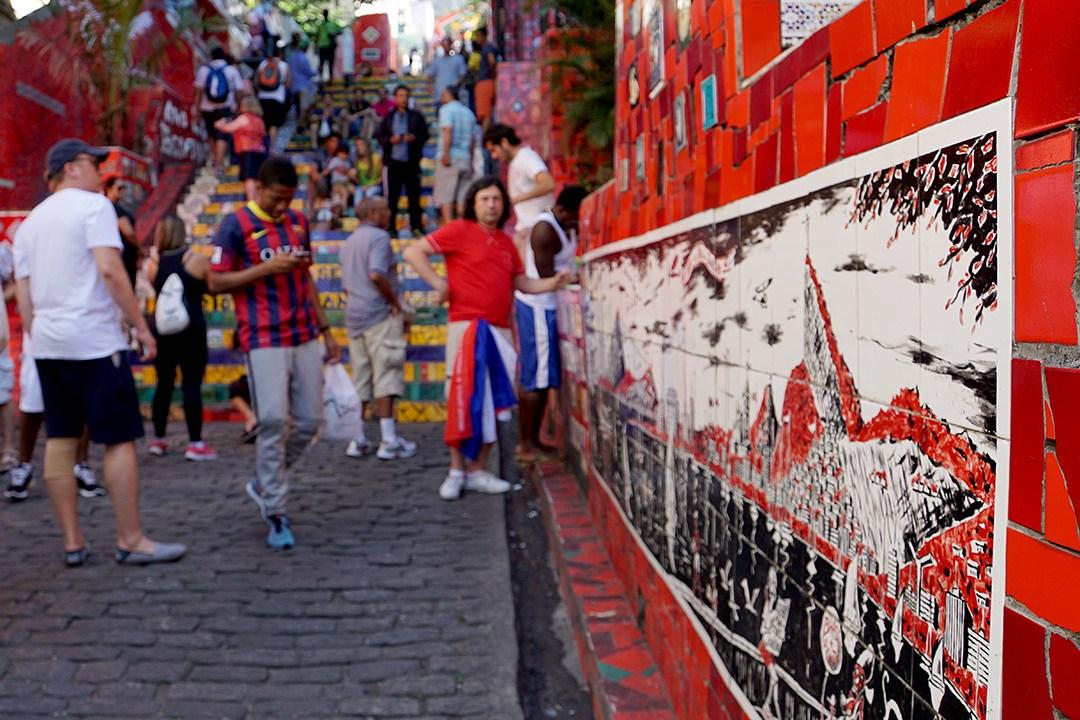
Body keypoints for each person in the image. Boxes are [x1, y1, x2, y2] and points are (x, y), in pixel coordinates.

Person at [13, 138, 186, 567]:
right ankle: (130, 537)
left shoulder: (30, 223)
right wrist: (140, 326)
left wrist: (39, 335)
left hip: (50, 343)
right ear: (71, 168)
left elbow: (23, 291)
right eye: (94, 163)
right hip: (92, 339)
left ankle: (73, 541)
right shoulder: (94, 207)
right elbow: (109, 268)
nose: (101, 172)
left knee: (61, 438)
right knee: (118, 438)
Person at [403, 177, 572, 501]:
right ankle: (455, 471)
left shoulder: (508, 242)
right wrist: (438, 283)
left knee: (495, 402)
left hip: (501, 331)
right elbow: (413, 252)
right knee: (461, 400)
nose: (491, 204)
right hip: (465, 328)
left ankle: (478, 469)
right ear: (473, 202)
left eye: (496, 199)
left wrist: (553, 282)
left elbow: (522, 282)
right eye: (485, 199)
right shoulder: (458, 230)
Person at [207, 156, 340, 550]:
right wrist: (264, 270)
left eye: (289, 199)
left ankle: (266, 481)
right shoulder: (234, 226)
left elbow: (306, 276)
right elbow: (215, 281)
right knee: (270, 420)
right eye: (277, 198)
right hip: (262, 335)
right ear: (258, 189)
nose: (283, 207)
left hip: (304, 333)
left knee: (310, 421)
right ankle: (276, 511)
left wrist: (326, 328)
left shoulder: (298, 223)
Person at [514, 185, 587, 459]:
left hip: (550, 306)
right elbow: (547, 274)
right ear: (564, 210)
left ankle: (532, 440)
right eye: (575, 217)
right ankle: (526, 443)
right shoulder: (544, 230)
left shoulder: (566, 225)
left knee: (542, 377)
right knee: (536, 378)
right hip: (538, 306)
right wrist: (572, 277)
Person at [341, 197, 416, 461]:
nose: (389, 213)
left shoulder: (348, 242)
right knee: (387, 375)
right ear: (373, 213)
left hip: (354, 316)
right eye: (386, 210)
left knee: (361, 377)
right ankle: (389, 439)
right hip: (378, 314)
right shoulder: (379, 238)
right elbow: (376, 273)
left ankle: (358, 437)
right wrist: (394, 302)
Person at [147, 215, 215, 461]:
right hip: (191, 329)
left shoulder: (152, 265)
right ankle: (195, 442)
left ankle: (158, 439)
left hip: (163, 330)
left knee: (163, 383)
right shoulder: (195, 260)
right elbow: (213, 285)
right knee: (191, 384)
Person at [484, 124, 556, 256]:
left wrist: (516, 199)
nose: (494, 156)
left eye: (494, 150)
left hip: (536, 228)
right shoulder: (517, 161)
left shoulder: (526, 157)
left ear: (504, 142)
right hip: (527, 229)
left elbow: (548, 183)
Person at [374, 85, 429, 237]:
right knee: (392, 199)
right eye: (400, 96)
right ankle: (391, 228)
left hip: (411, 163)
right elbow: (379, 136)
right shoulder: (389, 117)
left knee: (414, 198)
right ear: (395, 98)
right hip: (393, 163)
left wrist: (414, 138)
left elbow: (425, 136)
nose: (402, 99)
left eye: (405, 96)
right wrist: (390, 140)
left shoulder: (416, 117)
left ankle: (416, 227)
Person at [195, 47, 245, 172]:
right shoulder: (231, 70)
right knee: (222, 135)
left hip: (206, 107)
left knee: (211, 133)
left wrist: (197, 108)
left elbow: (198, 91)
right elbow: (239, 90)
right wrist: (239, 105)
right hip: (226, 106)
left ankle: (214, 158)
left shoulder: (203, 70)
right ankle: (219, 162)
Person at [434, 85, 477, 225]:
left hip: (451, 157)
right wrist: (471, 161)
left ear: (448, 94)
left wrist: (446, 154)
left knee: (445, 199)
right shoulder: (469, 113)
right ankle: (462, 232)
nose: (441, 98)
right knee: (461, 200)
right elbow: (473, 140)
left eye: (443, 95)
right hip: (465, 158)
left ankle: (450, 233)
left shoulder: (446, 110)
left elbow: (448, 131)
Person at [214, 97, 267, 202]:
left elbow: (228, 128)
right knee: (256, 179)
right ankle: (257, 201)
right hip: (260, 152)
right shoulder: (259, 120)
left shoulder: (244, 118)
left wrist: (219, 124)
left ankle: (252, 204)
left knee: (249, 179)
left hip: (248, 151)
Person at [103, 177, 139, 288]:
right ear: (109, 188)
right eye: (119, 188)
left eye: (124, 188)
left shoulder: (105, 206)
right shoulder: (112, 207)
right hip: (124, 257)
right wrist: (139, 247)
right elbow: (128, 232)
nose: (122, 191)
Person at [255, 45, 291, 149]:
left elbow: (256, 81)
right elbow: (288, 84)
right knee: (274, 125)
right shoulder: (284, 65)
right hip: (277, 98)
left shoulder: (263, 64)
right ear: (280, 54)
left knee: (263, 124)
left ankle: (262, 146)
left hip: (262, 97)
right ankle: (270, 148)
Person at [428, 36, 466, 107]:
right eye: (444, 44)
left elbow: (462, 75)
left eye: (448, 44)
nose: (446, 47)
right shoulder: (437, 60)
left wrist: (454, 87)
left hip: (454, 97)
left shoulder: (459, 59)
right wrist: (430, 86)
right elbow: (430, 75)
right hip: (440, 96)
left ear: (451, 44)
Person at [471, 27, 499, 124]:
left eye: (478, 36)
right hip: (486, 81)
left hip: (485, 81)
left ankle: (485, 136)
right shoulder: (487, 47)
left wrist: (492, 75)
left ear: (484, 36)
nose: (477, 39)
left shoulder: (487, 47)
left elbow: (492, 62)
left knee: (485, 112)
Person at [285, 36, 316, 119]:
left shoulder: (291, 57)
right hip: (303, 87)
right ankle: (301, 126)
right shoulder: (303, 58)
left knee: (297, 109)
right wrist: (316, 71)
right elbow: (309, 72)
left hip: (293, 87)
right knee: (304, 108)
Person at [350, 137, 383, 207]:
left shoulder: (376, 158)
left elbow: (382, 177)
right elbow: (358, 180)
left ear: (367, 146)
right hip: (362, 187)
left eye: (361, 144)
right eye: (357, 145)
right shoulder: (357, 162)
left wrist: (370, 186)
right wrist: (352, 177)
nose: (359, 147)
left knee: (369, 193)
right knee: (357, 198)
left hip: (375, 186)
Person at [321, 146, 353, 213]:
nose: (343, 156)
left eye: (345, 154)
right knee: (343, 193)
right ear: (338, 153)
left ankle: (348, 209)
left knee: (352, 191)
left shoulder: (348, 162)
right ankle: (344, 211)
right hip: (337, 183)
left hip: (346, 183)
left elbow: (349, 174)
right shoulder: (335, 160)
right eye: (342, 153)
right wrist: (321, 175)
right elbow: (328, 170)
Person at [315, 9, 341, 81]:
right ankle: (320, 79)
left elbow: (339, 31)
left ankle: (330, 80)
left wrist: (333, 34)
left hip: (330, 47)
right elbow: (317, 36)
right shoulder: (320, 25)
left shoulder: (332, 23)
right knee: (321, 64)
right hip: (322, 46)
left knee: (330, 64)